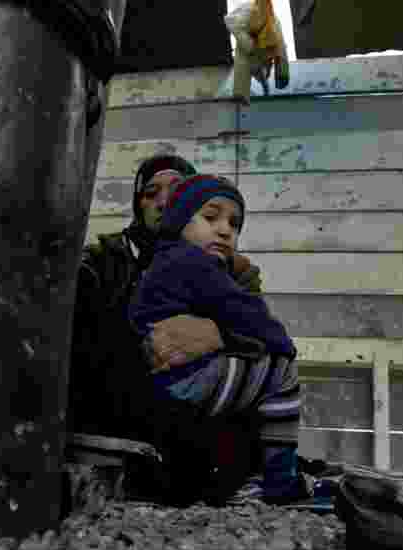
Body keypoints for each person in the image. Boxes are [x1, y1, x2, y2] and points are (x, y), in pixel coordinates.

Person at [68, 155, 267, 504]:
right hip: (117, 414)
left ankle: (227, 481)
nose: (162, 201)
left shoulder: (233, 271)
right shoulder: (104, 260)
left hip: (196, 426)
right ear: (137, 204)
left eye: (176, 191)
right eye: (150, 193)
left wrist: (216, 332)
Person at [128, 174, 308, 504]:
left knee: (259, 375)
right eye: (210, 217)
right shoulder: (194, 263)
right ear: (180, 222)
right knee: (283, 373)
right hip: (189, 380)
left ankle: (252, 476)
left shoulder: (164, 263)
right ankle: (279, 479)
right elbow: (248, 315)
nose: (225, 229)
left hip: (165, 384)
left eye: (234, 224)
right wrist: (281, 342)